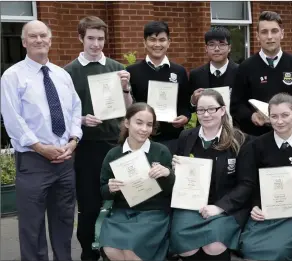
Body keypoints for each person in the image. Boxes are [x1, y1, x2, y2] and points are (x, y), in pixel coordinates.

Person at [0, 20, 82, 261]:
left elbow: (75, 111)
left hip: (65, 161)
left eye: (43, 35)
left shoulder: (62, 75)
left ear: (50, 39)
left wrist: (74, 140)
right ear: (24, 42)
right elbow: (13, 119)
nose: (39, 40)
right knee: (32, 227)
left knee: (64, 222)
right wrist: (39, 147)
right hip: (33, 162)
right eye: (33, 36)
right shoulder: (12, 76)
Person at [63, 16, 132, 261]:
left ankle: (115, 249)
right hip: (86, 147)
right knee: (90, 203)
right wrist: (81, 120)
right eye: (91, 38)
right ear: (80, 38)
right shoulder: (68, 73)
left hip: (115, 144)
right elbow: (63, 114)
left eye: (100, 39)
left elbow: (129, 109)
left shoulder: (116, 68)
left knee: (121, 198)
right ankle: (89, 252)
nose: (96, 44)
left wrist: (125, 89)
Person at [237, 93, 292, 261]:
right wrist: (254, 205)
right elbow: (249, 182)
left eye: (285, 115)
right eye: (274, 116)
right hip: (266, 212)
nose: (279, 121)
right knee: (248, 247)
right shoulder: (256, 145)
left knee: (278, 251)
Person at [169, 89, 252, 260]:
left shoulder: (240, 140)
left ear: (222, 110)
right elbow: (180, 179)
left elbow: (247, 184)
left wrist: (220, 207)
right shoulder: (186, 136)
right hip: (191, 205)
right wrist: (175, 170)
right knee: (186, 247)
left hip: (226, 207)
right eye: (201, 110)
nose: (206, 114)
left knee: (214, 245)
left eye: (211, 109)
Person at [98, 102, 175, 261]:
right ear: (127, 123)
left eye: (149, 125)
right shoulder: (114, 154)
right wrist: (111, 188)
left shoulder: (161, 151)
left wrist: (168, 174)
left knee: (132, 253)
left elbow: (171, 192)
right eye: (138, 123)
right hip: (122, 212)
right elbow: (103, 190)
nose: (144, 129)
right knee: (111, 249)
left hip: (153, 213)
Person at [230, 11, 292, 137]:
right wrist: (251, 116)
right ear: (257, 36)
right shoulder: (245, 67)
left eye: (274, 31)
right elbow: (236, 105)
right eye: (264, 32)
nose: (269, 37)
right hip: (255, 138)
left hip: (290, 137)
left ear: (282, 34)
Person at [127, 21, 191, 153]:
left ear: (169, 42)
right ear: (144, 42)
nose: (157, 44)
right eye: (152, 40)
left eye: (162, 40)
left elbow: (185, 104)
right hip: (142, 140)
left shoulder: (179, 71)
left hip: (173, 139)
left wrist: (185, 117)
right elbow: (128, 106)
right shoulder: (132, 72)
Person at [189, 27, 239, 113]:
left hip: (234, 125)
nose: (216, 49)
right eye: (212, 45)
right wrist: (193, 101)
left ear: (229, 48)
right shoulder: (196, 75)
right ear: (206, 48)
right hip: (205, 124)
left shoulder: (241, 72)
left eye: (222, 44)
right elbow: (188, 109)